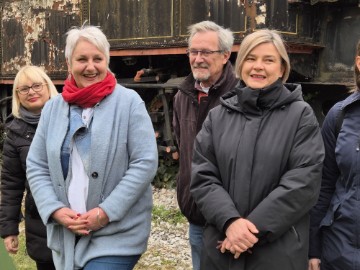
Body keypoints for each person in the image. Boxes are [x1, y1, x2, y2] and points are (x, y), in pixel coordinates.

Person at [190, 29, 325, 270]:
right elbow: (203, 177)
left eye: (268, 60)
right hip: (223, 247)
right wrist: (230, 222)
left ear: (282, 68)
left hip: (277, 253)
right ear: (240, 65)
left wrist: (250, 230)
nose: (258, 67)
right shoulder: (217, 117)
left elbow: (303, 182)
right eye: (251, 59)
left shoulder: (301, 116)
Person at [26, 25, 158, 270]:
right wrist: (54, 209)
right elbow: (36, 164)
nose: (90, 66)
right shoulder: (53, 108)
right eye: (82, 59)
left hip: (117, 234)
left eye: (98, 59)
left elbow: (145, 163)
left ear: (106, 61)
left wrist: (106, 211)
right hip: (67, 234)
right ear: (68, 63)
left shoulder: (129, 103)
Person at [172, 20, 238, 270]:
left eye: (206, 52)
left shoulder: (240, 94)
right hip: (197, 213)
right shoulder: (182, 96)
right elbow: (184, 146)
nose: (198, 58)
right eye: (193, 51)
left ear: (225, 56)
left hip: (234, 215)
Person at [0, 65, 58, 270]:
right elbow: (11, 184)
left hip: (75, 214)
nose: (31, 92)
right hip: (40, 220)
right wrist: (9, 230)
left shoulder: (68, 116)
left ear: (48, 86)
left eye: (36, 86)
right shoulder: (15, 132)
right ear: (17, 95)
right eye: (24, 89)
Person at [308, 41, 360, 270]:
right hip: (342, 251)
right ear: (359, 62)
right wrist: (313, 250)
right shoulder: (339, 116)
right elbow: (324, 186)